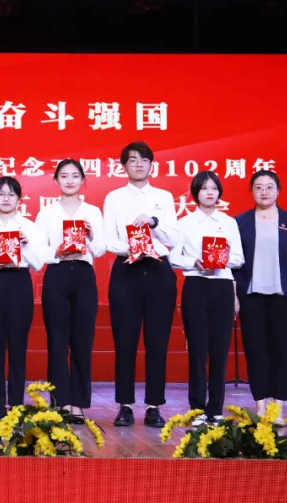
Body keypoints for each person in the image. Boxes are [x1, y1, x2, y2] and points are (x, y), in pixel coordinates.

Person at [102, 141, 180, 428]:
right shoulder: (114, 198)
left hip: (158, 271)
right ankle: (124, 405)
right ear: (124, 166)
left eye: (144, 159)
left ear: (151, 165)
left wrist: (154, 222)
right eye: (132, 160)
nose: (138, 164)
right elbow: (108, 239)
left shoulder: (164, 197)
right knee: (125, 340)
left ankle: (154, 405)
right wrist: (134, 249)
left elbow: (173, 237)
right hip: (127, 270)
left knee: (157, 340)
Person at [234, 170, 287, 421]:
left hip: (283, 297)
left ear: (278, 191)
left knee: (281, 352)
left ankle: (277, 408)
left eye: (269, 187)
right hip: (251, 297)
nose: (264, 192)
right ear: (251, 191)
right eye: (258, 187)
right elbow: (233, 263)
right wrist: (234, 295)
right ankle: (260, 407)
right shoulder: (240, 222)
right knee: (255, 351)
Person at [168, 171, 243, 424]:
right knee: (197, 349)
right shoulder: (185, 223)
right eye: (204, 188)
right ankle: (197, 409)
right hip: (196, 285)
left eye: (214, 188)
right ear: (195, 193)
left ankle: (216, 408)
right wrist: (194, 262)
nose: (210, 193)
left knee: (220, 349)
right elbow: (173, 257)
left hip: (222, 285)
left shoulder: (229, 222)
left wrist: (224, 259)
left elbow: (239, 259)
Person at [35, 159, 106, 421]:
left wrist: (90, 236)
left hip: (84, 276)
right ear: (56, 180)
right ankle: (60, 403)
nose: (69, 181)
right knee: (57, 341)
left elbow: (100, 249)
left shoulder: (93, 212)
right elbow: (39, 251)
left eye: (75, 176)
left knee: (82, 341)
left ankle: (78, 404)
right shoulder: (47, 213)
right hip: (57, 274)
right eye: (64, 176)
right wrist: (58, 251)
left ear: (83, 180)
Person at [0, 176, 46, 421]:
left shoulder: (30, 227)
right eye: (1, 194)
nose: (6, 199)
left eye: (11, 194)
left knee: (18, 345)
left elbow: (38, 263)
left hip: (19, 283)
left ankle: (16, 402)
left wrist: (25, 244)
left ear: (19, 199)